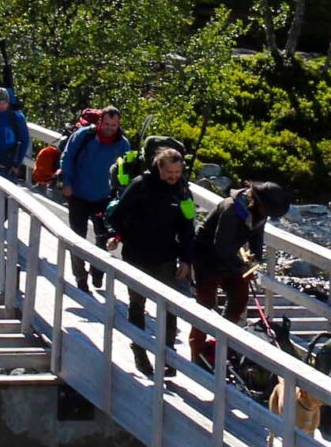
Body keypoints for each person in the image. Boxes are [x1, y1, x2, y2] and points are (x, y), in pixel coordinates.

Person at [104, 141, 195, 377]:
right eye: (169, 173)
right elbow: (119, 214)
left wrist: (186, 260)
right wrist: (118, 235)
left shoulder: (183, 190)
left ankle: (168, 356)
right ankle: (140, 351)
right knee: (137, 304)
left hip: (165, 256)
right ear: (159, 167)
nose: (174, 177)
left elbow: (187, 227)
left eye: (178, 173)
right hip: (137, 254)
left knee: (170, 308)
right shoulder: (141, 185)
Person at [191, 180, 293, 362]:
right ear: (258, 201)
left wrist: (253, 263)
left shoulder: (260, 213)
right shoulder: (232, 209)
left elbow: (256, 242)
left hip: (230, 257)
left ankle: (217, 344)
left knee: (239, 298)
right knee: (206, 303)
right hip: (206, 257)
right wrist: (241, 267)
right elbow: (221, 247)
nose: (267, 215)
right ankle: (197, 350)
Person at [57, 106, 132, 289]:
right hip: (78, 195)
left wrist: (122, 197)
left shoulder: (123, 144)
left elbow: (126, 172)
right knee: (77, 237)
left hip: (104, 197)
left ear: (118, 124)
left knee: (102, 238)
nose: (109, 128)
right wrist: (67, 182)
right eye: (106, 124)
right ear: (100, 122)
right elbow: (67, 157)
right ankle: (80, 277)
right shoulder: (84, 136)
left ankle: (97, 271)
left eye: (113, 125)